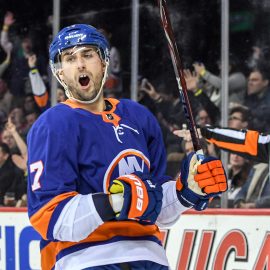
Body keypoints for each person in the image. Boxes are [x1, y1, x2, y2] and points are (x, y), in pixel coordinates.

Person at [27, 24, 227, 270]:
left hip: (151, 258)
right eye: (70, 58)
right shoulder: (54, 124)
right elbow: (49, 217)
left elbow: (155, 205)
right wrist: (115, 202)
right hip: (85, 258)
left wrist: (185, 191)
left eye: (88, 55)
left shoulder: (137, 116)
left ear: (104, 62)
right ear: (59, 72)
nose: (80, 64)